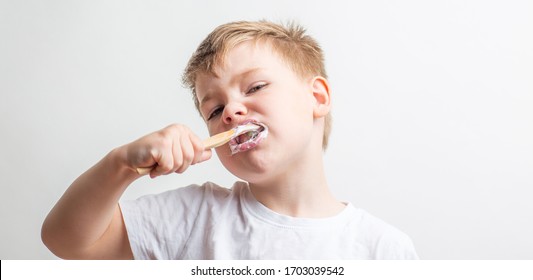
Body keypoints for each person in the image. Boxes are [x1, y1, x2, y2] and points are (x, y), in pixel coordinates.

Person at [41, 20, 418, 260]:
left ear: (316, 98)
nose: (230, 112)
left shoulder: (382, 249)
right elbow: (67, 241)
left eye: (255, 87)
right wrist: (119, 164)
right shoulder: (193, 218)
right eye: (213, 110)